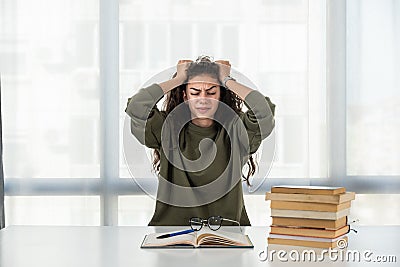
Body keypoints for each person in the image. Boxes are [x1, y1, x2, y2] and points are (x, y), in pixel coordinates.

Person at [125, 56, 275, 226]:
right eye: (195, 92)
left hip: (227, 234)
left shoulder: (235, 129)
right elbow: (137, 106)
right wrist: (179, 79)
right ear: (185, 96)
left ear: (220, 95)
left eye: (211, 92)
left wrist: (227, 80)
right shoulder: (168, 128)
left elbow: (264, 111)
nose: (203, 98)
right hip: (171, 234)